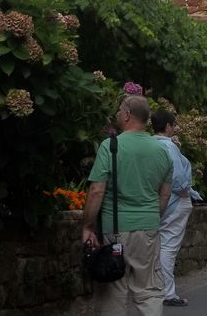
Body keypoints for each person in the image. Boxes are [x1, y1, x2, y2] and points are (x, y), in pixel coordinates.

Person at [82, 95, 173, 316]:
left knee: (114, 290)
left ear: (127, 114)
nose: (117, 114)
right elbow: (165, 194)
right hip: (148, 228)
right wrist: (152, 217)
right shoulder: (163, 151)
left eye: (119, 110)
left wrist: (87, 226)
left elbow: (96, 191)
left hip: (115, 230)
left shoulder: (111, 146)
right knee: (149, 289)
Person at [151, 109, 202, 308]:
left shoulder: (149, 145)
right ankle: (167, 292)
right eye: (173, 125)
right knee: (168, 247)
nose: (175, 128)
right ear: (168, 126)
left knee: (157, 245)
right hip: (173, 202)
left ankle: (157, 287)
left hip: (156, 201)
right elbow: (179, 180)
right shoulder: (169, 147)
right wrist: (185, 192)